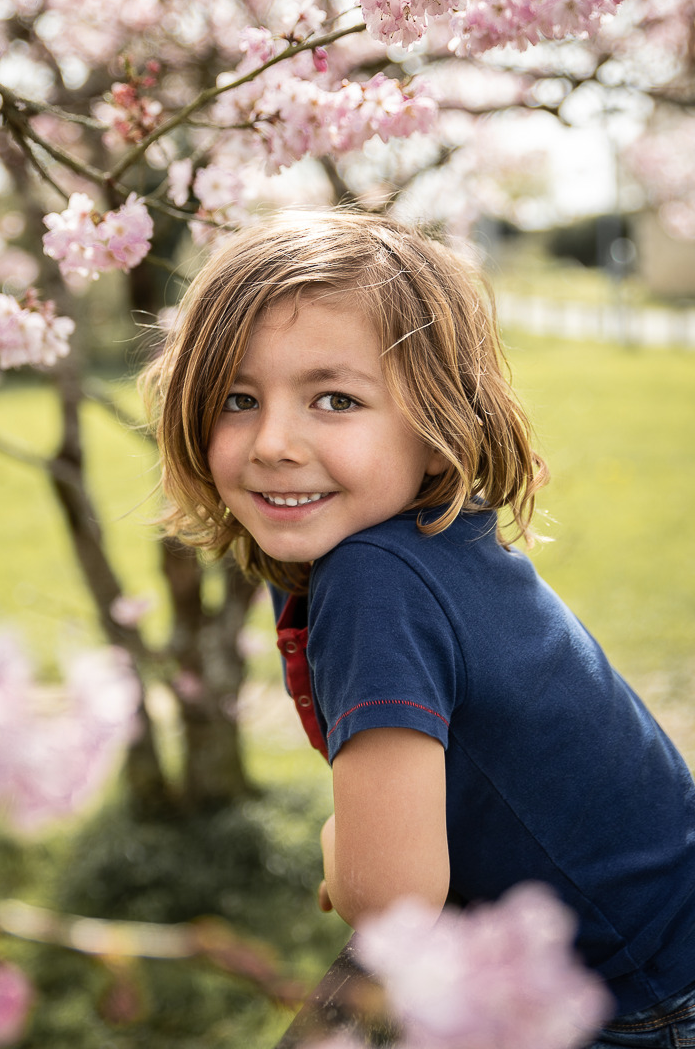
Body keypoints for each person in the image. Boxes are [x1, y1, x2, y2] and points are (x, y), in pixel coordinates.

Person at [148, 208, 695, 1046]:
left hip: (638, 1001)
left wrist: (341, 840)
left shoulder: (376, 580)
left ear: (439, 433)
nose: (274, 443)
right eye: (237, 399)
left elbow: (391, 903)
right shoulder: (417, 541)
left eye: (336, 400)